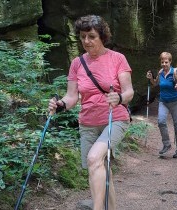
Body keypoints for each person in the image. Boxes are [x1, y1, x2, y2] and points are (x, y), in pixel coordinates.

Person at [48, 15, 134, 210]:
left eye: (92, 36)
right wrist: (60, 104)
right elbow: (71, 97)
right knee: (97, 168)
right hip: (87, 122)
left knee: (94, 159)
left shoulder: (117, 59)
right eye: (83, 36)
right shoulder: (77, 63)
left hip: (115, 118)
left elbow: (128, 92)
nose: (86, 41)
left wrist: (119, 98)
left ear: (102, 37)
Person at [146, 52, 177, 158]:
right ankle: (167, 144)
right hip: (163, 101)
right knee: (161, 121)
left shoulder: (175, 73)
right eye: (162, 62)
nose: (164, 64)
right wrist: (151, 78)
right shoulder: (160, 72)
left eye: (166, 62)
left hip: (175, 102)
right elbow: (156, 83)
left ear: (170, 62)